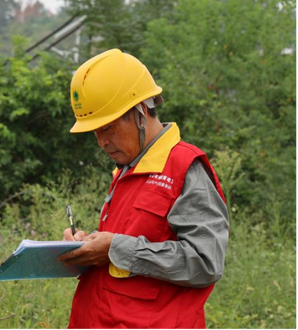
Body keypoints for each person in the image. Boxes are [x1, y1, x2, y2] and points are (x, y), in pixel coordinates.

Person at [57, 49, 230, 329]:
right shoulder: (128, 167)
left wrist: (115, 248)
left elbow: (205, 262)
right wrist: (87, 247)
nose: (101, 141)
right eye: (96, 132)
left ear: (139, 112)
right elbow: (131, 242)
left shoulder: (184, 167)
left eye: (108, 128)